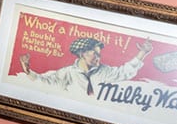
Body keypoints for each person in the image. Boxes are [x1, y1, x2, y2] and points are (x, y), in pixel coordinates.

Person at [19, 37, 153, 96]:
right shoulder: (68, 73)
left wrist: (143, 53)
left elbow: (124, 72)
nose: (98, 58)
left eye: (99, 54)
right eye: (94, 54)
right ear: (82, 53)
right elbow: (44, 81)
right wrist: (27, 70)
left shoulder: (105, 71)